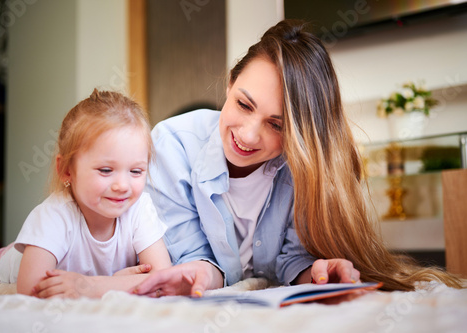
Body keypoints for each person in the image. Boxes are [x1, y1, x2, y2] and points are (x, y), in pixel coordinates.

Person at [133, 19, 462, 298]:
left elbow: (290, 262)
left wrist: (317, 274)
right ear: (231, 83)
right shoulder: (171, 145)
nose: (247, 135)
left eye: (276, 125)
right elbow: (192, 259)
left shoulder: (300, 169)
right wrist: (200, 277)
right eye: (243, 105)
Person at [0, 89, 172, 298]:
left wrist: (100, 284)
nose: (122, 185)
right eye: (106, 170)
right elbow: (30, 288)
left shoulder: (140, 208)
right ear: (67, 170)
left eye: (136, 171)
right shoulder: (54, 214)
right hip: (3, 269)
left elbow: (164, 277)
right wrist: (119, 283)